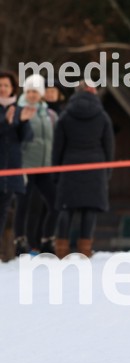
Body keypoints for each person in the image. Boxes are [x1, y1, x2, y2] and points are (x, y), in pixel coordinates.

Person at [52, 82, 114, 258]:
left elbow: (58, 148)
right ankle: (85, 250)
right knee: (90, 209)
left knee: (66, 208)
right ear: (93, 93)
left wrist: (56, 172)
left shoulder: (65, 116)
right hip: (95, 168)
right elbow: (109, 147)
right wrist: (107, 172)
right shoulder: (102, 116)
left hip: (70, 166)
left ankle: (61, 250)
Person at [14, 75, 59, 255]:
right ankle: (20, 242)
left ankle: (48, 239)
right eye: (29, 91)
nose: (32, 95)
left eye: (35, 91)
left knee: (56, 203)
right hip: (25, 166)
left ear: (41, 94)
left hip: (45, 166)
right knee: (23, 205)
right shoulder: (17, 110)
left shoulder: (50, 114)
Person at [0, 70, 33, 257]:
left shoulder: (20, 109)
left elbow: (27, 137)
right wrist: (7, 122)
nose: (3, 89)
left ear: (12, 88)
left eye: (6, 85)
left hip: (11, 169)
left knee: (4, 212)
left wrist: (22, 122)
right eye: (0, 85)